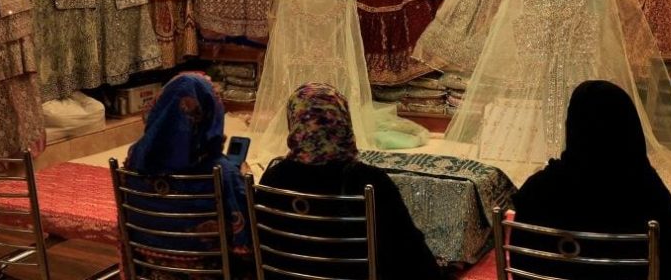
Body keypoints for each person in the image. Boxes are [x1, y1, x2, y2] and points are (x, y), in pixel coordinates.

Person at [258, 83, 443, 280]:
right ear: (343, 123)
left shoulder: (273, 179)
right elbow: (411, 254)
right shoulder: (370, 181)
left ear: (294, 122)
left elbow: (261, 249)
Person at [510, 80, 671, 280]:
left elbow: (520, 267)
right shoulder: (651, 197)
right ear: (628, 128)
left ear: (572, 126)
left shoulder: (537, 192)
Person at [123, 73, 250, 276]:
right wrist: (243, 179)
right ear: (211, 113)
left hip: (149, 269)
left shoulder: (135, 160)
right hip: (210, 272)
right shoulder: (221, 172)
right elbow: (244, 241)